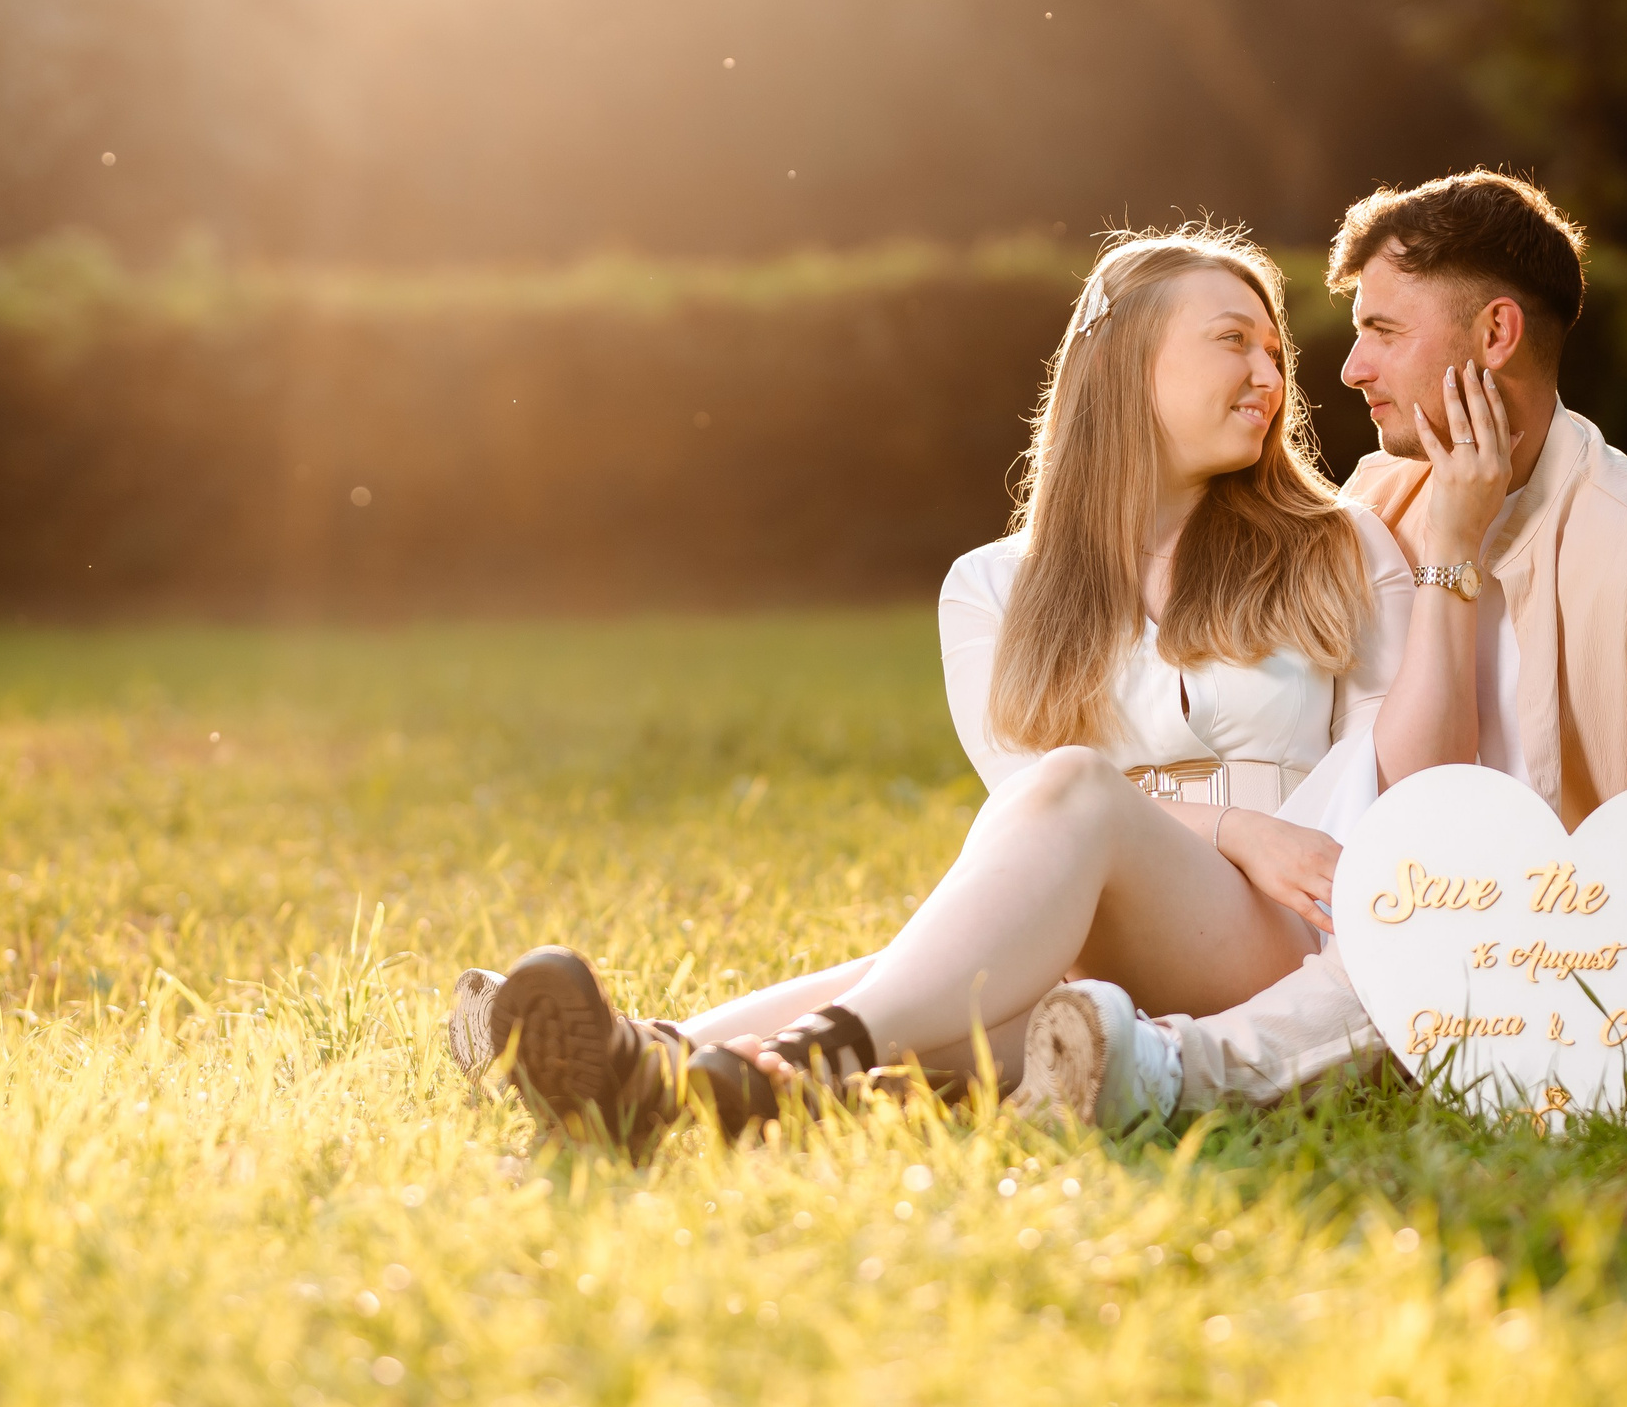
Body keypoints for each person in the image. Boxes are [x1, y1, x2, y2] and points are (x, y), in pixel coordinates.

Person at [453, 222, 1513, 1149]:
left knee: (1063, 801)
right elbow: (1027, 815)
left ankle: (809, 1052)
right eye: (1232, 340)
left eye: (1275, 351)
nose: (1270, 378)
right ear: (1125, 360)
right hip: (1085, 958)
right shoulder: (990, 591)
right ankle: (649, 1073)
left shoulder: (1335, 543)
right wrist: (1228, 827)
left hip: (1284, 938)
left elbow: (1423, 784)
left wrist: (1454, 548)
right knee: (969, 1003)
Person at [1010, 169, 1627, 1127]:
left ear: (1495, 335)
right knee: (1380, 928)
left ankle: (1170, 1071)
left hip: (1531, 942)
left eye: (1383, 331)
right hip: (1329, 908)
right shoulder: (1372, 503)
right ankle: (864, 1039)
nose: (1348, 370)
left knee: (1430, 940)